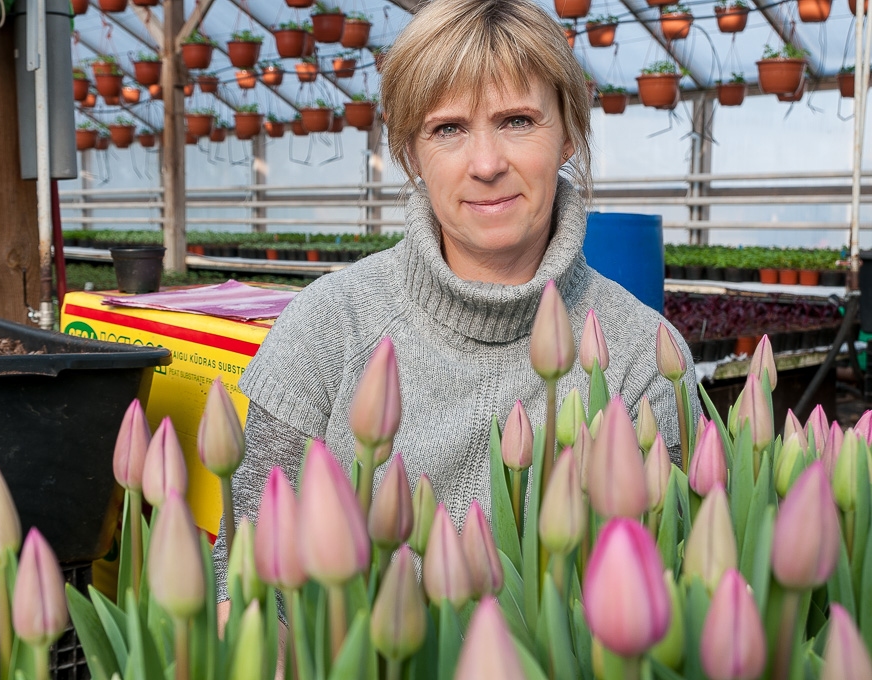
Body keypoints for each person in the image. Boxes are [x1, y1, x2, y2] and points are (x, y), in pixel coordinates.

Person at [214, 0, 701, 601]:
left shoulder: (640, 356)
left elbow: (665, 588)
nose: (487, 164)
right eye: (447, 129)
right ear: (409, 152)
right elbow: (243, 577)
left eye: (517, 120)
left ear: (570, 132)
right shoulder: (330, 325)